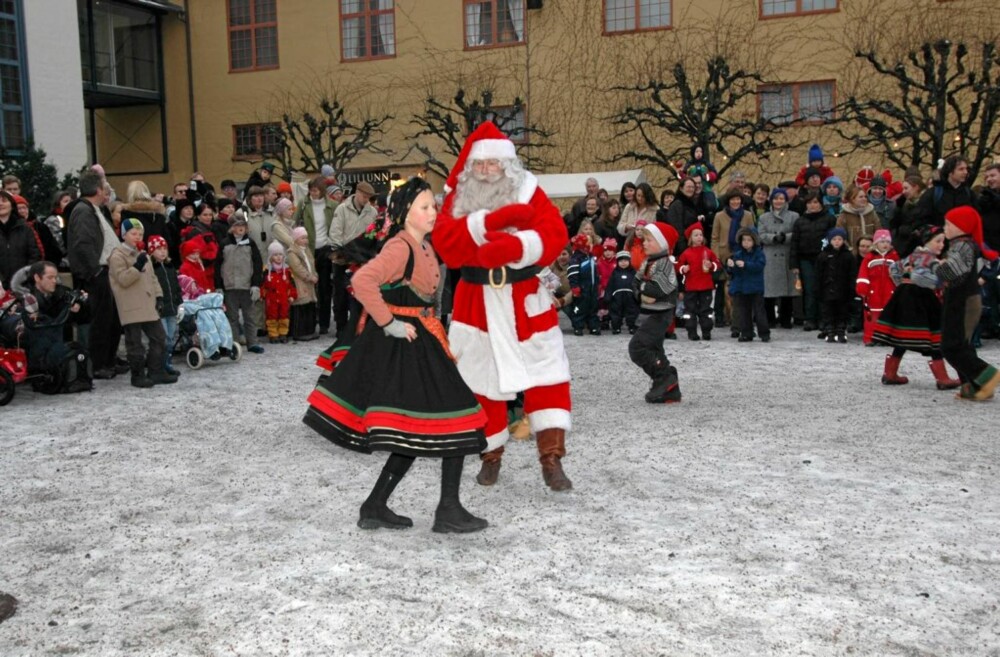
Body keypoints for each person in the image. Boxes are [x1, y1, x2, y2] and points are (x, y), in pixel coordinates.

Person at [302, 177, 489, 533]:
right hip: (407, 346)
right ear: (404, 213)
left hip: (423, 341)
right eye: (424, 207)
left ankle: (377, 505)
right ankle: (446, 509)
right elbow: (362, 282)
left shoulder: (422, 245)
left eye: (433, 206)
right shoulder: (400, 247)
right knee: (459, 416)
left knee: (417, 429)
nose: (431, 212)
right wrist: (388, 322)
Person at [433, 121, 573, 491]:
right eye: (480, 165)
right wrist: (485, 226)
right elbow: (446, 244)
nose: (485, 171)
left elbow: (555, 233)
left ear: (507, 166)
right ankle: (490, 454)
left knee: (548, 376)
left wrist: (517, 247)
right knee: (481, 382)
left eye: (493, 164)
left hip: (524, 296)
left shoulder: (528, 192)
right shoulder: (458, 198)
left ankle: (552, 459)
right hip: (475, 302)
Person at [873, 225, 960, 390]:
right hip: (921, 299)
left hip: (904, 296)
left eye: (943, 241)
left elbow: (894, 269)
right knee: (934, 337)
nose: (941, 245)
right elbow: (919, 276)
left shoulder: (913, 255)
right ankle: (942, 378)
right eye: (938, 241)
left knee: (902, 336)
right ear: (927, 241)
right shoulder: (929, 259)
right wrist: (940, 283)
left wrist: (902, 284)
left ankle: (890, 373)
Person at [66, 171, 126, 380]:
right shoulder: (83, 211)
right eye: (104, 186)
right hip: (97, 273)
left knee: (112, 320)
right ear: (98, 189)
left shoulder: (93, 209)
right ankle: (100, 364)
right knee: (102, 321)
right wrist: (96, 270)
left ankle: (109, 360)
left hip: (106, 271)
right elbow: (83, 244)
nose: (107, 191)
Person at [937, 207, 1000, 401]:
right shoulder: (962, 244)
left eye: (948, 224)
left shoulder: (962, 246)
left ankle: (987, 375)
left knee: (951, 346)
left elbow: (949, 272)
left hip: (962, 301)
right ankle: (973, 385)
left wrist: (935, 265)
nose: (944, 228)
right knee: (962, 345)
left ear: (961, 227)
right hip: (965, 299)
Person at [108, 219, 175, 388]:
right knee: (135, 343)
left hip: (147, 304)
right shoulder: (117, 256)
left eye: (140, 234)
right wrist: (137, 266)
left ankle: (156, 370)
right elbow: (123, 279)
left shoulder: (142, 254)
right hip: (131, 306)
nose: (137, 237)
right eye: (133, 233)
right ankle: (137, 375)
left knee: (159, 337)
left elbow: (153, 278)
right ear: (124, 235)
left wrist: (159, 296)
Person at [16, 260, 92, 393]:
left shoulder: (61, 292)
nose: (54, 281)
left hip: (58, 343)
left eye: (56, 277)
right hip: (38, 348)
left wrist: (80, 305)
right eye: (50, 277)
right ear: (37, 278)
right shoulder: (27, 297)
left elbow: (83, 314)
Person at [629, 222, 681, 403]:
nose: (644, 243)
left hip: (661, 314)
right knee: (654, 348)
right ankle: (668, 387)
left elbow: (657, 289)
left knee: (638, 347)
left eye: (649, 240)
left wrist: (644, 290)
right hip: (649, 313)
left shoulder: (664, 264)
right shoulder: (648, 262)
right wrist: (642, 292)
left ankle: (664, 377)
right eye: (644, 239)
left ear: (662, 243)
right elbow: (635, 284)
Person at [329, 181, 377, 336]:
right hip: (344, 257)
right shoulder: (342, 209)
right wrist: (338, 250)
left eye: (369, 197)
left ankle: (360, 325)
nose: (366, 199)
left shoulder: (372, 212)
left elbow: (375, 234)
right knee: (341, 294)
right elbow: (335, 231)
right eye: (364, 196)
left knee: (362, 293)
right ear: (357, 192)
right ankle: (341, 326)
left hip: (362, 258)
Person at [294, 176, 339, 335]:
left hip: (326, 248)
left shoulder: (332, 205)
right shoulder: (304, 205)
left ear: (322, 191)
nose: (313, 193)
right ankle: (311, 322)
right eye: (311, 190)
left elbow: (337, 225)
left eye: (315, 190)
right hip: (309, 249)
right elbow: (295, 222)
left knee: (325, 287)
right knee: (310, 286)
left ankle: (325, 323)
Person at [790, 192, 836, 332]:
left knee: (824, 289)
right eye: (809, 203)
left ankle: (824, 319)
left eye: (815, 202)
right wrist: (794, 264)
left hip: (824, 259)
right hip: (805, 259)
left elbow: (834, 240)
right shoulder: (800, 221)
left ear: (821, 204)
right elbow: (794, 243)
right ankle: (810, 319)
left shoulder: (829, 219)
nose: (812, 205)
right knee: (809, 290)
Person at [219, 214, 264, 354]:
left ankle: (253, 342)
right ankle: (234, 343)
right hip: (230, 286)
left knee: (249, 315)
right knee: (232, 317)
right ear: (231, 228)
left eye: (243, 226)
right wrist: (219, 286)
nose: (240, 229)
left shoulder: (251, 244)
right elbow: (218, 266)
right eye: (237, 226)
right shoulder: (224, 244)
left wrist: (256, 284)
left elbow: (257, 265)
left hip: (246, 285)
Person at [711, 191, 755, 333]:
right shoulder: (719, 216)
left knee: (742, 288)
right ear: (728, 201)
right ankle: (722, 316)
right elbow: (715, 238)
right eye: (732, 200)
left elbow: (752, 234)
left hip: (742, 255)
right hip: (724, 255)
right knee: (723, 289)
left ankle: (741, 319)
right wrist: (716, 256)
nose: (735, 202)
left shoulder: (747, 215)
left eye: (737, 199)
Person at [757, 188, 799, 329]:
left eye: (781, 198)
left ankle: (786, 318)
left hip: (787, 254)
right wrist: (773, 238)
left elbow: (798, 233)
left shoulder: (794, 216)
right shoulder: (764, 217)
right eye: (776, 198)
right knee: (769, 290)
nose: (778, 201)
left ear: (786, 201)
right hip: (770, 255)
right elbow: (761, 235)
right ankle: (770, 319)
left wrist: (785, 237)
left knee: (787, 290)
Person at [675, 222, 720, 341]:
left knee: (706, 310)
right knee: (690, 311)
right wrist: (683, 269)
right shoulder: (686, 253)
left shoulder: (708, 252)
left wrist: (711, 265)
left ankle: (706, 330)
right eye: (696, 235)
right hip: (691, 287)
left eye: (700, 234)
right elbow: (678, 267)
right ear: (690, 238)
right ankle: (692, 331)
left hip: (706, 286)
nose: (699, 237)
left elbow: (717, 265)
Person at [147, 235, 183, 375]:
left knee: (171, 337)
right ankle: (160, 364)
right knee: (163, 337)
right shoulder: (152, 268)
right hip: (160, 310)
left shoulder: (169, 267)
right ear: (151, 251)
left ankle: (167, 362)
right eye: (158, 249)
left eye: (164, 249)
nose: (162, 252)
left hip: (172, 308)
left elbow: (176, 286)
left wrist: (179, 303)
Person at [855, 229, 898, 346]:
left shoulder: (894, 257)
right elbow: (863, 274)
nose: (885, 244)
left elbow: (899, 274)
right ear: (876, 243)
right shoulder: (869, 258)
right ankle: (870, 337)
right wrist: (862, 288)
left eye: (888, 242)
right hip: (873, 292)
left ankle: (887, 338)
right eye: (882, 242)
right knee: (871, 316)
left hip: (890, 291)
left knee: (888, 316)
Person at [726, 228, 769, 343]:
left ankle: (764, 333)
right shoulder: (738, 254)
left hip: (755, 288)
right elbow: (734, 273)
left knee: (759, 312)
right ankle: (746, 333)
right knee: (743, 312)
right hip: (742, 288)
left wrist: (746, 265)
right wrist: (731, 266)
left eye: (749, 240)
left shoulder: (759, 253)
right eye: (744, 240)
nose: (746, 242)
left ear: (754, 241)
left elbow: (759, 266)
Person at [815, 227, 855, 343]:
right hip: (827, 289)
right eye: (834, 239)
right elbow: (818, 274)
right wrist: (818, 288)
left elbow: (852, 274)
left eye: (839, 239)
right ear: (829, 240)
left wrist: (851, 288)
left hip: (843, 290)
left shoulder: (848, 256)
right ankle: (830, 330)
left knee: (842, 311)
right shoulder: (823, 256)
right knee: (828, 311)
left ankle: (841, 330)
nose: (837, 241)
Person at [916, 155, 977, 227]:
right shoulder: (933, 194)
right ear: (950, 172)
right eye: (961, 169)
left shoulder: (969, 194)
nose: (965, 172)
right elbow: (920, 221)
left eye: (966, 169)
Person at [0, 190, 40, 288]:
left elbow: (35, 255)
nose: (0, 204)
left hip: (23, 285)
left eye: (4, 200)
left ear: (12, 205)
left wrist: (24, 277)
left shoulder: (25, 228)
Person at [287, 226, 318, 341]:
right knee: (301, 306)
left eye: (306, 238)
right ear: (295, 239)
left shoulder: (306, 250)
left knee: (309, 306)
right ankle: (299, 332)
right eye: (302, 238)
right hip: (300, 281)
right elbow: (297, 267)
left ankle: (310, 330)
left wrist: (315, 275)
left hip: (309, 281)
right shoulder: (292, 252)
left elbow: (312, 263)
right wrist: (308, 276)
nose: (305, 240)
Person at [261, 241, 296, 343]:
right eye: (275, 255)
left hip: (284, 298)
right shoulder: (266, 271)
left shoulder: (287, 271)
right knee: (272, 316)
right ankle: (273, 334)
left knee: (284, 316)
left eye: (280, 254)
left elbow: (292, 285)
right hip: (271, 299)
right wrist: (262, 295)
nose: (278, 257)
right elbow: (262, 285)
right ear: (271, 257)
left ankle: (283, 333)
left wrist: (292, 295)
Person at [566, 233, 600, 336]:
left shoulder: (590, 257)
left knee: (593, 308)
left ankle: (593, 326)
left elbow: (595, 272)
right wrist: (575, 287)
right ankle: (578, 326)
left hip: (592, 288)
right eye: (588, 243)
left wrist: (597, 284)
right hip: (582, 288)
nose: (591, 245)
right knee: (579, 308)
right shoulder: (576, 258)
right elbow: (573, 274)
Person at [604, 250, 639, 334]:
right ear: (617, 262)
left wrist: (638, 296)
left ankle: (631, 326)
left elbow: (637, 285)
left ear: (629, 261)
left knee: (632, 312)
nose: (623, 263)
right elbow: (610, 286)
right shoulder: (615, 273)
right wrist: (608, 296)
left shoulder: (633, 273)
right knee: (615, 312)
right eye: (621, 261)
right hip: (617, 297)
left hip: (630, 296)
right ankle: (616, 327)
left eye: (626, 261)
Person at [891, 175, 926, 256]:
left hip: (918, 248)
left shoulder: (925, 204)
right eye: (903, 189)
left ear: (916, 187)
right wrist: (898, 207)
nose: (903, 192)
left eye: (906, 188)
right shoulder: (904, 204)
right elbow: (894, 224)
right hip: (903, 247)